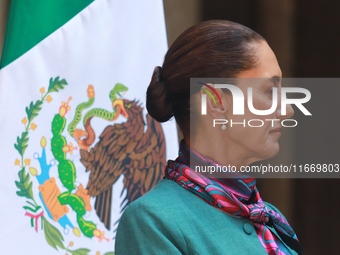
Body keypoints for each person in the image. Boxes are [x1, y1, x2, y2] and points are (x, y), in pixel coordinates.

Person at [115, 20, 302, 255]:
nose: (287, 110)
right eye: (269, 91)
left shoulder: (270, 218)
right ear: (214, 102)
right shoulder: (153, 220)